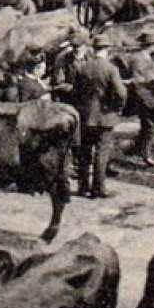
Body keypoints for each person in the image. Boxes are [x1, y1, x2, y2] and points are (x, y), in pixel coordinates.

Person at [57, 42, 126, 198]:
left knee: (84, 152)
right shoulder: (111, 69)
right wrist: (116, 107)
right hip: (105, 116)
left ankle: (83, 187)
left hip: (85, 116)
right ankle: (98, 188)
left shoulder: (83, 67)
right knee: (102, 153)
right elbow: (121, 93)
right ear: (108, 50)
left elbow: (76, 91)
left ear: (94, 50)